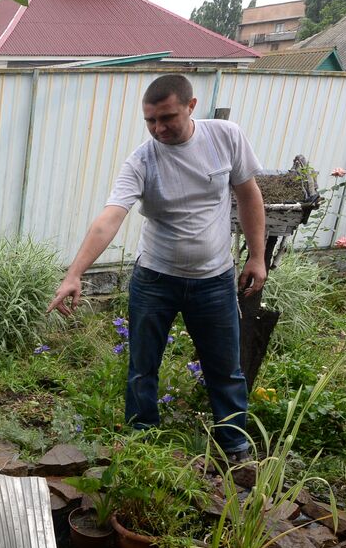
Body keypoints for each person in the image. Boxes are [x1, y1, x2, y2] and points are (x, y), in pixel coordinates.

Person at [46, 73, 267, 462]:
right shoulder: (142, 160)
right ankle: (141, 444)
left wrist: (256, 255)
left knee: (225, 369)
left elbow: (249, 196)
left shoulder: (225, 137)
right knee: (142, 367)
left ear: (191, 106)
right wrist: (74, 273)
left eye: (167, 118)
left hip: (213, 281)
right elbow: (110, 218)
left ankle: (234, 448)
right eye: (150, 120)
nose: (158, 128)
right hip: (155, 280)